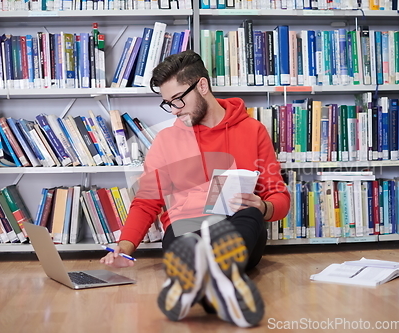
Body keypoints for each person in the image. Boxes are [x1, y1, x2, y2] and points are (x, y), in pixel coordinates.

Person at [100, 50, 290, 327]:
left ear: (202, 85)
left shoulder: (253, 131)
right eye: (168, 103)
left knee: (247, 216)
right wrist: (125, 248)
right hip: (187, 228)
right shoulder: (166, 141)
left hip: (239, 226)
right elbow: (146, 202)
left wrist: (264, 206)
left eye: (178, 99)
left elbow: (278, 196)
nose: (175, 110)